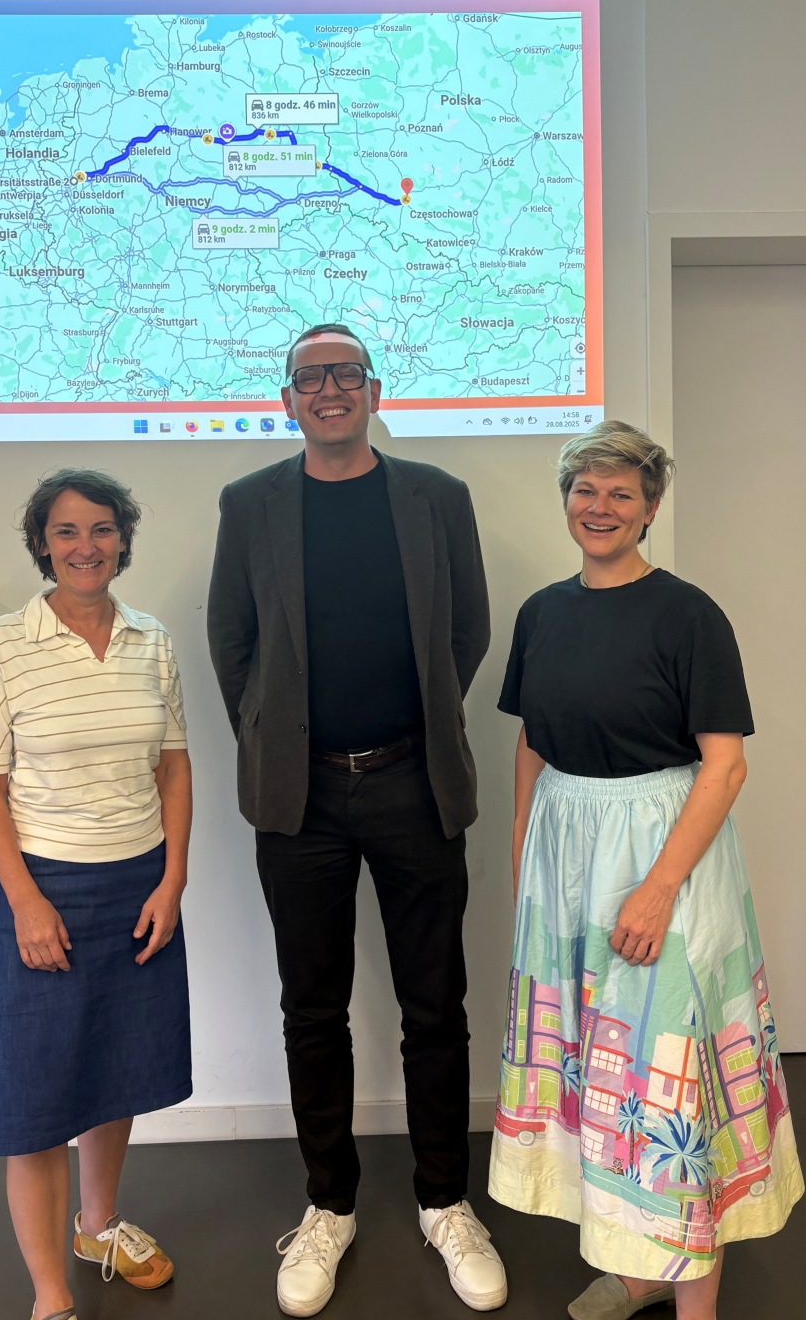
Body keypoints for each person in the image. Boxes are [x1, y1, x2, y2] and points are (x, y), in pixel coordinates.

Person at [207, 323, 508, 1317]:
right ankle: (328, 1205)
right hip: (301, 798)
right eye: (309, 377)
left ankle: (445, 1199)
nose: (327, 389)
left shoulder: (437, 498)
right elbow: (231, 640)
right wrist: (275, 733)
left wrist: (415, 727)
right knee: (312, 1005)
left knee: (436, 1004)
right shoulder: (249, 504)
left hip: (416, 784)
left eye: (343, 373)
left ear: (374, 389)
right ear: (286, 396)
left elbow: (468, 627)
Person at [488, 422, 804, 1320]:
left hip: (658, 849)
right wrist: (524, 853)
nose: (601, 508)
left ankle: (691, 1294)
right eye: (586, 491)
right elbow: (535, 740)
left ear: (651, 508)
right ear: (566, 503)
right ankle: (638, 1268)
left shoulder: (688, 614)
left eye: (622, 493)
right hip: (567, 852)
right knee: (598, 1069)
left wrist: (659, 885)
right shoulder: (543, 612)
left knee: (667, 1070)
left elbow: (726, 763)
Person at [0, 468, 192, 1320]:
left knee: (115, 1071)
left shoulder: (153, 640)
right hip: (46, 887)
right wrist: (25, 900)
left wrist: (172, 879)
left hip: (138, 884)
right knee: (38, 1095)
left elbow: (173, 765)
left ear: (123, 541)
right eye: (66, 531)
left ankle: (99, 1227)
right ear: (41, 544)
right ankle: (51, 1293)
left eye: (101, 529)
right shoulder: (5, 644)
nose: (85, 546)